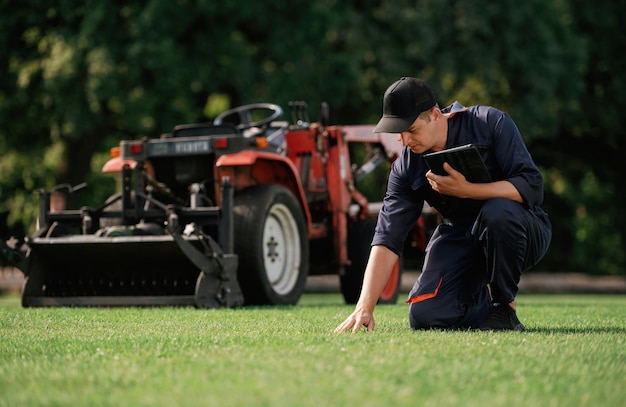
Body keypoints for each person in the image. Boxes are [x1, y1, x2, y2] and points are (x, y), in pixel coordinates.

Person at [334, 77, 551, 332]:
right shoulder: (406, 166)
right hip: (461, 237)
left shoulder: (490, 122)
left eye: (411, 130)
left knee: (496, 213)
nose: (404, 140)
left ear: (436, 115)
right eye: (398, 133)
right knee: (425, 317)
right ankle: (482, 304)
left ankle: (503, 308)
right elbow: (387, 236)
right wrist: (364, 307)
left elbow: (532, 187)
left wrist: (468, 191)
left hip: (520, 229)